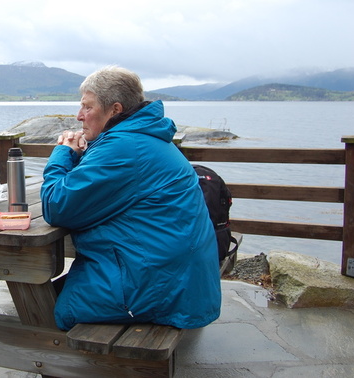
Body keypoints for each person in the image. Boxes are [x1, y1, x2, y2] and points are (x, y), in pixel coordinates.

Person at [41, 65, 221, 331]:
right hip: (177, 278)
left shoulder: (123, 147)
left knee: (42, 311)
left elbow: (56, 205)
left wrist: (63, 153)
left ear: (115, 110)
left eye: (87, 108)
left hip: (158, 287)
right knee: (47, 291)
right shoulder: (141, 137)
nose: (79, 116)